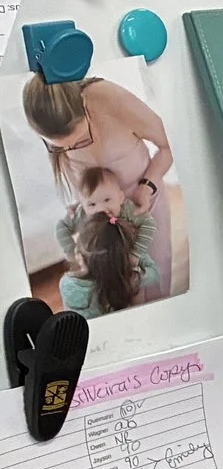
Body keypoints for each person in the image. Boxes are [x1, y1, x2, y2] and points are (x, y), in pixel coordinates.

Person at [26, 72, 179, 294]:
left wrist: (147, 187)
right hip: (101, 223)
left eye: (81, 140)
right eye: (61, 147)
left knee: (155, 274)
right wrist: (83, 204)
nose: (71, 150)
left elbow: (170, 144)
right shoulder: (48, 124)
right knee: (115, 283)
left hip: (145, 202)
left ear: (84, 107)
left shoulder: (111, 99)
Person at [54, 169, 157, 316]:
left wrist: (135, 253)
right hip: (97, 267)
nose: (100, 209)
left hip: (120, 263)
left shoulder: (128, 210)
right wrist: (72, 252)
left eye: (107, 200)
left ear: (121, 197)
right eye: (91, 204)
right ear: (81, 205)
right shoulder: (82, 214)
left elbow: (149, 224)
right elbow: (61, 227)